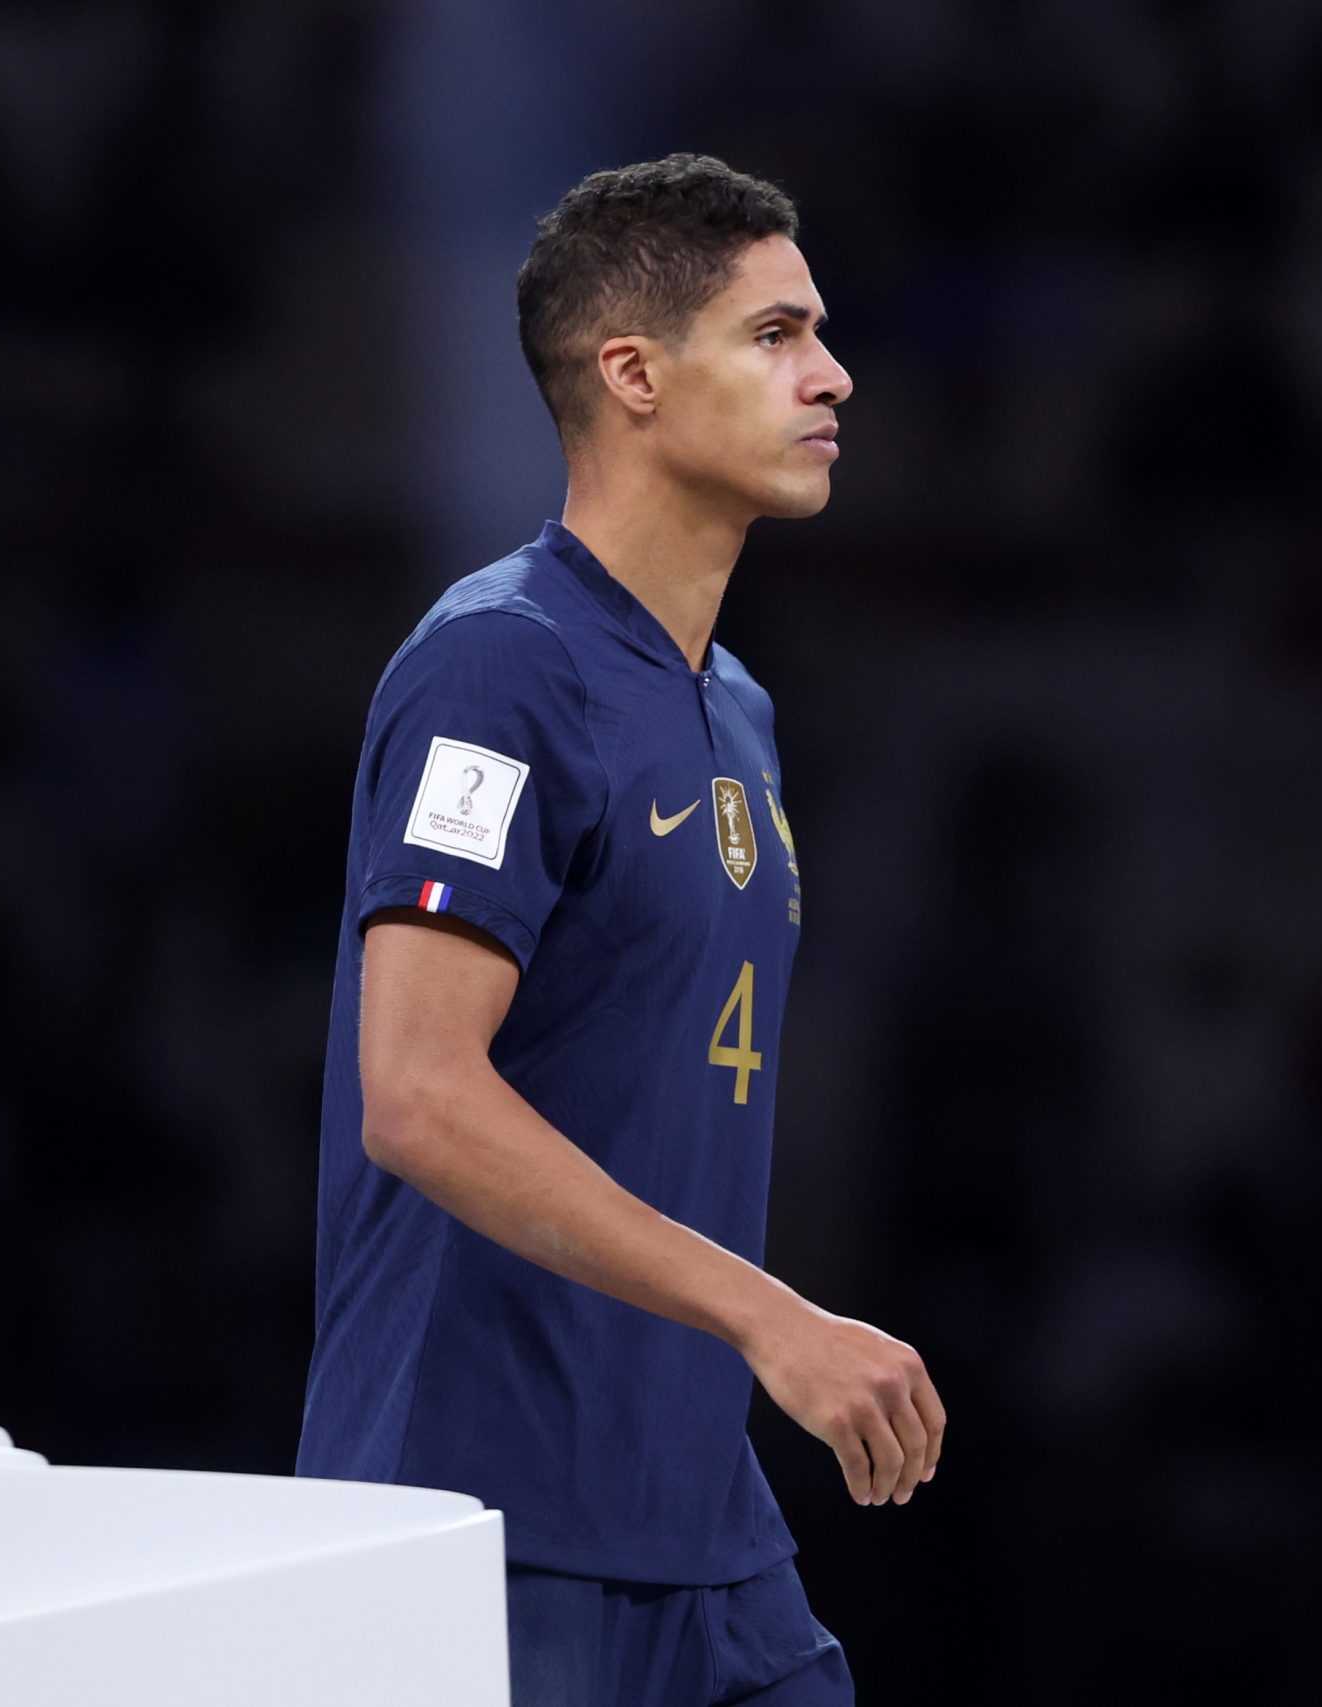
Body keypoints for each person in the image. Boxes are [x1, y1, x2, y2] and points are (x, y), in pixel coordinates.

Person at [295, 155, 943, 1706]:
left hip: (701, 1526)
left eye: (821, 332)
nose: (832, 374)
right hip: (484, 1521)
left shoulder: (740, 709)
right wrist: (766, 1314)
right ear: (634, 374)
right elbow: (420, 1093)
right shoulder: (495, 671)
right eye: (777, 334)